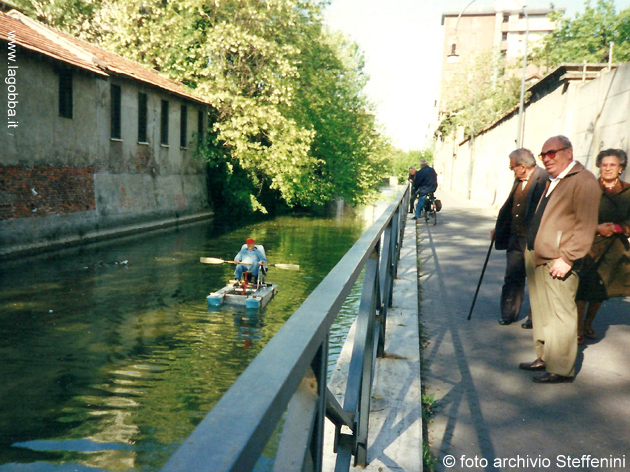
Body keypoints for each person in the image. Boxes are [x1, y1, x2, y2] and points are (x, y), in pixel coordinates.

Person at [520, 135, 600, 384]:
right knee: (542, 313)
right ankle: (545, 357)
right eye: (543, 155)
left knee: (560, 314)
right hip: (538, 255)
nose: (546, 159)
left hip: (559, 258)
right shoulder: (555, 180)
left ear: (569, 152)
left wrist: (568, 257)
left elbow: (586, 226)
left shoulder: (584, 181)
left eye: (552, 153)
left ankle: (561, 368)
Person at [576, 149, 630, 344]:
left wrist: (617, 228)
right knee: (583, 289)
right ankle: (578, 328)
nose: (608, 168)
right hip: (589, 245)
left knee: (601, 291)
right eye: (604, 165)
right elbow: (577, 215)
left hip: (615, 249)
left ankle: (588, 323)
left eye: (613, 165)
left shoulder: (628, 191)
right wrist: (596, 227)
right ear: (599, 166)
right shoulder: (589, 188)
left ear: (621, 168)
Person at [491, 148, 548, 326]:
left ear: (522, 167)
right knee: (513, 276)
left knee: (535, 278)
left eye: (512, 167)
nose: (512, 170)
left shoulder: (544, 179)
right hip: (515, 237)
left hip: (534, 238)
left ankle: (534, 318)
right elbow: (511, 207)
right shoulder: (518, 180)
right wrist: (498, 228)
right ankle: (509, 313)